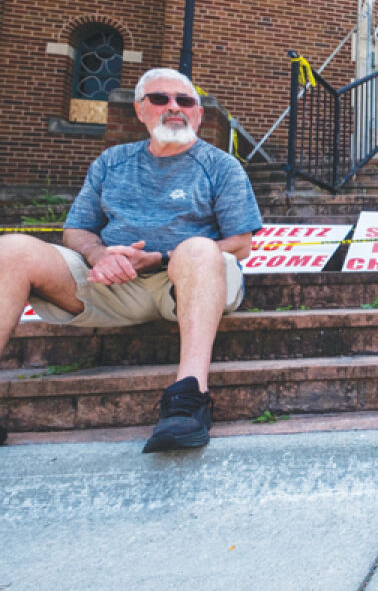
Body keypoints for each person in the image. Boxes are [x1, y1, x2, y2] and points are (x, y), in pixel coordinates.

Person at [0, 68, 262, 452]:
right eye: (160, 99)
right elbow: (77, 229)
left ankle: (189, 399)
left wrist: (161, 257)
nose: (174, 107)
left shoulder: (221, 166)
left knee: (199, 247)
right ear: (140, 111)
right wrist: (99, 255)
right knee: (12, 250)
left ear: (199, 114)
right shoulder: (112, 162)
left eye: (185, 101)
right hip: (113, 285)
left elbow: (240, 245)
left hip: (188, 284)